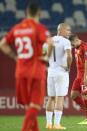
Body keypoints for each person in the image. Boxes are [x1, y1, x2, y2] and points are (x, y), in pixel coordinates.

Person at [0, 2, 53, 131]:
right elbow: (50, 42)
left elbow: (2, 44)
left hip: (20, 71)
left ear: (26, 13)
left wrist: (14, 57)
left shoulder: (17, 28)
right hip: (36, 71)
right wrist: (46, 57)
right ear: (39, 13)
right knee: (35, 106)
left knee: (29, 106)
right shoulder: (39, 28)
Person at [45, 23, 72, 130]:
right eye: (67, 30)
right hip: (61, 72)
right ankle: (56, 124)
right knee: (59, 98)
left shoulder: (49, 40)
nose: (69, 32)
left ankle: (48, 123)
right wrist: (68, 67)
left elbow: (45, 55)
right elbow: (69, 55)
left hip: (51, 72)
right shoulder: (66, 41)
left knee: (50, 98)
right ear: (60, 30)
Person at [69, 34, 87, 125]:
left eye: (72, 44)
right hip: (79, 76)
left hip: (86, 74)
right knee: (73, 95)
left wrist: (85, 77)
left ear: (76, 40)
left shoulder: (85, 47)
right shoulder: (76, 47)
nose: (72, 47)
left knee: (85, 95)